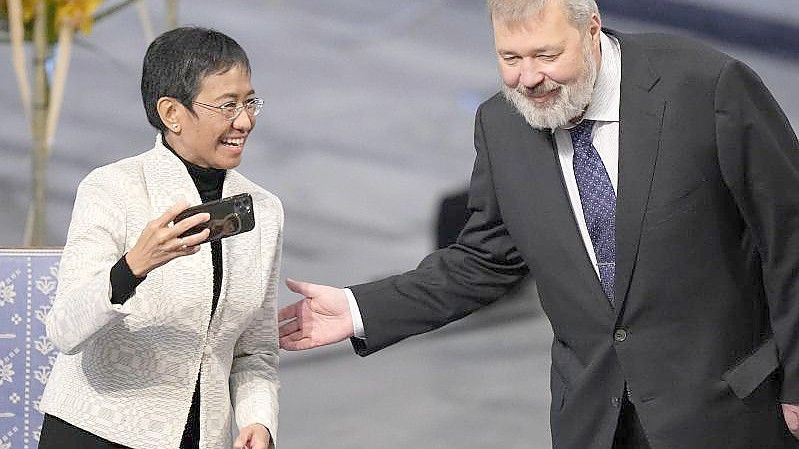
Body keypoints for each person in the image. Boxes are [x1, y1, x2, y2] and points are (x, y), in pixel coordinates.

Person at [277, 1, 799, 448]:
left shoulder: (704, 87)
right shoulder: (501, 124)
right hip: (596, 423)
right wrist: (356, 308)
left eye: (547, 56)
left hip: (730, 412)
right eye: (510, 58)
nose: (529, 79)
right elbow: (485, 260)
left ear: (591, 29)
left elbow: (791, 236)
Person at [39, 27, 281, 449]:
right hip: (97, 433)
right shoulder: (112, 189)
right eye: (227, 106)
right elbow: (64, 330)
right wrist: (132, 267)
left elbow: (254, 352)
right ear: (172, 112)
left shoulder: (264, 209)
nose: (244, 120)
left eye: (249, 102)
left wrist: (258, 422)